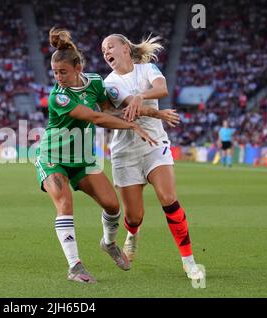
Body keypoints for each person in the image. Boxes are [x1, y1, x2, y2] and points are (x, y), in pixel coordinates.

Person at [34, 27, 171, 284]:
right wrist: (132, 126)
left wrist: (154, 114)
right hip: (53, 157)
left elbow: (112, 113)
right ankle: (75, 266)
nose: (58, 78)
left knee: (113, 206)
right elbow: (97, 118)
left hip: (82, 159)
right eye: (54, 73)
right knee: (64, 204)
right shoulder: (58, 97)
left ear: (78, 68)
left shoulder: (96, 82)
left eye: (63, 72)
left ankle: (108, 243)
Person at [101, 33, 204, 280]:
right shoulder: (108, 83)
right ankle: (132, 234)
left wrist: (141, 96)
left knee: (168, 198)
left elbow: (162, 89)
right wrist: (151, 112)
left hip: (155, 145)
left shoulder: (147, 68)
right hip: (125, 153)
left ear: (125, 48)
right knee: (134, 216)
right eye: (103, 50)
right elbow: (115, 115)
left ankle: (189, 261)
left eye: (110, 46)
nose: (106, 52)